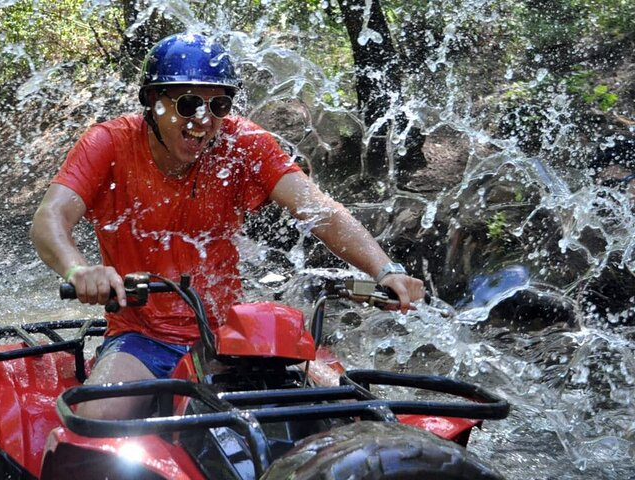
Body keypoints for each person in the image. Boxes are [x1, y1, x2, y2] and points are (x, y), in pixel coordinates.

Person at [30, 32, 425, 419]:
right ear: (153, 100)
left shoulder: (244, 143)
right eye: (188, 104)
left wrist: (385, 269)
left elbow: (320, 210)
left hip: (231, 337)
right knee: (93, 419)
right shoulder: (109, 143)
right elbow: (50, 219)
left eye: (218, 104)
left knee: (358, 413)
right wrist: (78, 269)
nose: (203, 120)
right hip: (143, 338)